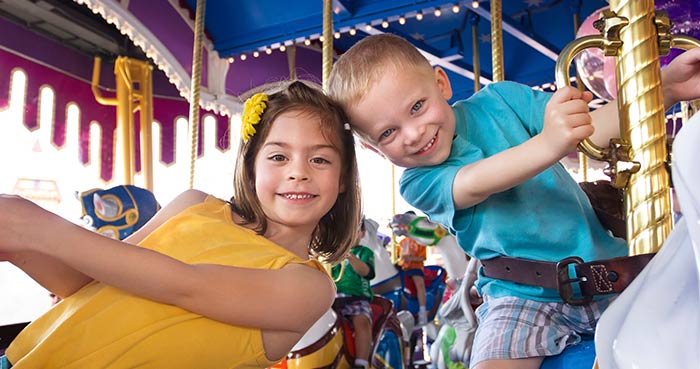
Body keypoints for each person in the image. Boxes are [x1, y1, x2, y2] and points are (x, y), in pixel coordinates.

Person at [327, 33, 700, 369]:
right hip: (521, 298)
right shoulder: (418, 181)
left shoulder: (502, 100)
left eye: (417, 107)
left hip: (608, 273)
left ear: (441, 83)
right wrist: (550, 142)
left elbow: (590, 132)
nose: (413, 133)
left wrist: (662, 89)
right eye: (388, 133)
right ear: (372, 148)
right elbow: (478, 182)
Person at [0, 80, 362, 369]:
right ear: (252, 167)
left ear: (343, 179)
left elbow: (183, 285)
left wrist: (39, 227)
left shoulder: (309, 287)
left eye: (319, 159)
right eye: (279, 156)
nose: (298, 172)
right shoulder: (194, 205)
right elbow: (83, 283)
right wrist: (21, 245)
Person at [331, 218, 375, 369]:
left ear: (362, 234)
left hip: (356, 298)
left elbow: (366, 272)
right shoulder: (334, 255)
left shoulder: (364, 252)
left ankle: (361, 362)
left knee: (362, 322)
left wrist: (349, 255)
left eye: (353, 231)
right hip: (334, 299)